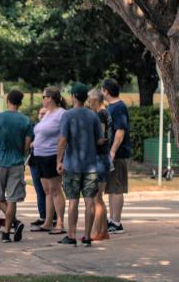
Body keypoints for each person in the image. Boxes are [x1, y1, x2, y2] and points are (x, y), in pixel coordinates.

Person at [56, 83, 102, 247]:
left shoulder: (68, 115)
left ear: (73, 96)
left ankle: (71, 235)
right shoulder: (93, 116)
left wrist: (59, 160)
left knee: (73, 200)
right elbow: (99, 139)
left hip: (72, 165)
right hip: (90, 166)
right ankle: (87, 236)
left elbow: (62, 140)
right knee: (90, 200)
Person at [0, 89, 33, 243]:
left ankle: (15, 222)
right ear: (20, 103)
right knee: (12, 199)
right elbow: (27, 146)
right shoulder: (26, 121)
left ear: (7, 101)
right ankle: (7, 232)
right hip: (17, 163)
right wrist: (20, 154)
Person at [29, 88, 66, 235]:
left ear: (50, 98)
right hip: (39, 155)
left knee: (56, 190)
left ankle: (60, 223)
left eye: (44, 96)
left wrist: (60, 159)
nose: (42, 99)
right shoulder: (47, 114)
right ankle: (48, 222)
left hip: (51, 155)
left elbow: (63, 136)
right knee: (47, 191)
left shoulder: (61, 114)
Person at [102, 78, 131, 233]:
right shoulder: (111, 107)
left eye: (102, 90)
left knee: (117, 187)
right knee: (111, 188)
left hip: (118, 154)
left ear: (106, 91)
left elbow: (120, 131)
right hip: (111, 153)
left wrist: (112, 151)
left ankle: (116, 222)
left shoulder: (119, 107)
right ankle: (111, 219)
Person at [87, 87, 114, 240]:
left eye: (90, 101)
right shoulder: (105, 113)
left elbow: (101, 137)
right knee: (100, 197)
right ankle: (103, 231)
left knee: (96, 198)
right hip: (103, 157)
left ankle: (96, 232)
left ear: (96, 100)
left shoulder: (101, 115)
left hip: (99, 157)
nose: (89, 104)